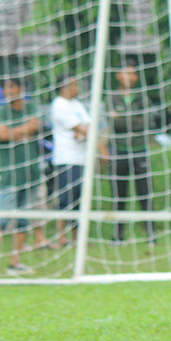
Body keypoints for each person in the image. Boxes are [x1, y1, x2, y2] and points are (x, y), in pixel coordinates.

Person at [0, 77, 43, 275]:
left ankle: (14, 262)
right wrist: (21, 132)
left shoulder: (31, 107)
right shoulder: (0, 111)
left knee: (23, 219)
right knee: (0, 218)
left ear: (21, 88)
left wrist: (14, 133)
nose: (8, 90)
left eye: (11, 86)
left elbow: (34, 127)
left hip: (31, 172)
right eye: (5, 87)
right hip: (9, 174)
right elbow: (1, 135)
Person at [51, 74, 107, 246]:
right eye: (74, 85)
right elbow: (81, 128)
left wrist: (82, 131)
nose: (77, 88)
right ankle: (61, 238)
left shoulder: (77, 105)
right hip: (66, 158)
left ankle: (78, 239)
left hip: (82, 159)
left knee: (78, 199)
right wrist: (101, 149)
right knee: (64, 199)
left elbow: (88, 126)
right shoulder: (59, 105)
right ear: (64, 87)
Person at [108, 58, 155, 244]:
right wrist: (131, 121)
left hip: (139, 149)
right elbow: (114, 124)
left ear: (136, 77)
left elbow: (146, 122)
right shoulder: (111, 98)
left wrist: (123, 120)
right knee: (119, 194)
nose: (129, 77)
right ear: (118, 75)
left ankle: (151, 234)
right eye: (125, 72)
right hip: (119, 151)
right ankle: (118, 235)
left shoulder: (143, 98)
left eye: (132, 73)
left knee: (145, 193)